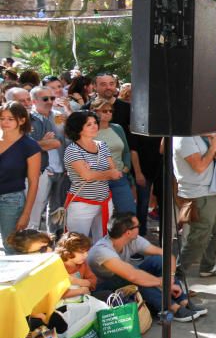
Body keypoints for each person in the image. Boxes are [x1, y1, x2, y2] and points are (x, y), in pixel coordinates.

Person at [88, 212, 205, 321]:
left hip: (126, 277)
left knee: (158, 261)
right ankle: (172, 308)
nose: (140, 227)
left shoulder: (133, 239)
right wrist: (162, 282)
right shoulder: (102, 251)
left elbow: (167, 255)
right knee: (136, 278)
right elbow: (133, 276)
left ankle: (183, 301)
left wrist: (170, 278)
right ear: (128, 232)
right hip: (104, 289)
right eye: (137, 226)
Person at [173, 123, 216, 279]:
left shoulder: (201, 132)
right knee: (198, 238)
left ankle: (208, 266)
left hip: (212, 191)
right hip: (198, 194)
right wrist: (213, 147)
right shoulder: (183, 138)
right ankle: (177, 277)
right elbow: (199, 167)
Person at [63, 110, 119, 241]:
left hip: (104, 201)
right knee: (76, 244)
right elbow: (87, 176)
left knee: (103, 244)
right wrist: (104, 174)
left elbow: (115, 172)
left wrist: (95, 174)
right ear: (78, 128)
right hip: (81, 204)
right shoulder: (72, 149)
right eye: (89, 124)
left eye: (95, 123)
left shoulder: (102, 145)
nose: (94, 126)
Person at [0, 101, 42, 250]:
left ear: (22, 120)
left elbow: (34, 181)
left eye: (10, 119)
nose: (5, 122)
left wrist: (26, 214)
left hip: (11, 201)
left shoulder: (29, 145)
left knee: (11, 246)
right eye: (2, 118)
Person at [27, 86, 65, 233]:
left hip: (61, 168)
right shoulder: (29, 120)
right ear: (34, 101)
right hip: (42, 170)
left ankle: (53, 238)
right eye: (45, 99)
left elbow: (61, 140)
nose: (50, 101)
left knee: (57, 208)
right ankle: (30, 238)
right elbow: (29, 146)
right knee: (37, 206)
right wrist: (43, 143)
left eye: (52, 98)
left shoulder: (58, 115)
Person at [91, 97, 136, 214]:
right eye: (104, 111)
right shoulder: (88, 131)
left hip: (119, 176)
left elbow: (126, 151)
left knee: (128, 212)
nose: (108, 113)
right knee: (99, 215)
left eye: (110, 111)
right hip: (98, 179)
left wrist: (126, 168)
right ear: (94, 111)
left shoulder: (117, 128)